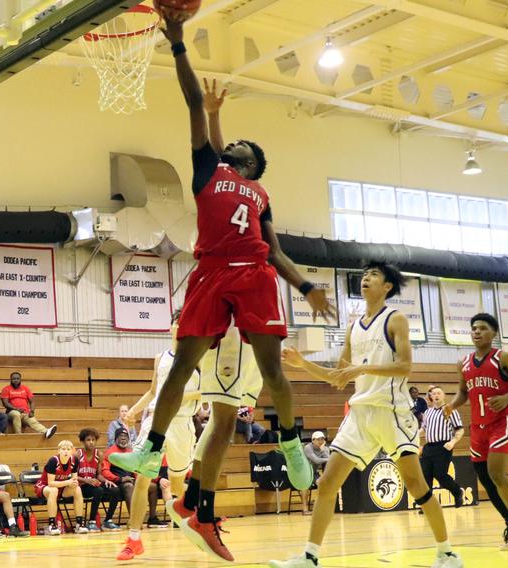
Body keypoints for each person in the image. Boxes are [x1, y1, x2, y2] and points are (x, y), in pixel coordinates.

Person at [111, 34, 335, 558]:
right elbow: (194, 106)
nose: (231, 145)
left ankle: (289, 444)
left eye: (241, 146)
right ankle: (152, 449)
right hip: (211, 271)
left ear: (252, 165)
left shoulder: (260, 193)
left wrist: (305, 286)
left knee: (270, 373)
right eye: (227, 142)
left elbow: (275, 249)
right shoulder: (207, 171)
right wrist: (178, 45)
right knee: (183, 364)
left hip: (253, 271)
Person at [270, 263, 462, 568]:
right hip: (360, 413)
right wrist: (301, 364)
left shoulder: (395, 319)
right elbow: (338, 377)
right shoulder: (353, 326)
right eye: (364, 275)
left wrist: (364, 368)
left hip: (391, 411)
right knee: (328, 482)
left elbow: (405, 367)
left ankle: (447, 552)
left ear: (387, 286)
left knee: (416, 484)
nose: (366, 279)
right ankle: (310, 556)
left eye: (373, 275)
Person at [165, 322, 264, 558]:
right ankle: (201, 514)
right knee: (222, 424)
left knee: (222, 424)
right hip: (230, 340)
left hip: (250, 341)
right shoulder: (165, 357)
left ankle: (189, 502)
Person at [445, 313, 508, 551]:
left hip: (500, 424)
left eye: (482, 328)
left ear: (493, 333)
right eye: (473, 328)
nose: (476, 332)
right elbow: (464, 392)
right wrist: (452, 405)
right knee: (486, 480)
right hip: (477, 428)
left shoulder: (502, 357)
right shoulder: (463, 363)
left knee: (495, 474)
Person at [116, 311, 201, 561]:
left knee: (176, 484)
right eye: (177, 323)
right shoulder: (160, 358)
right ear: (171, 327)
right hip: (155, 419)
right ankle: (134, 539)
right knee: (143, 478)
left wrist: (183, 396)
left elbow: (206, 391)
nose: (179, 327)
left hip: (182, 424)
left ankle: (199, 522)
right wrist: (134, 409)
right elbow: (154, 390)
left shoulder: (200, 358)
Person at [420, 386, 465, 509]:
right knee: (425, 476)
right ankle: (427, 506)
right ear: (431, 397)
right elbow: (423, 430)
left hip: (443, 447)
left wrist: (453, 442)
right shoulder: (427, 412)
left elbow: (460, 430)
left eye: (439, 393)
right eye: (433, 393)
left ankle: (457, 492)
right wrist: (412, 435)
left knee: (440, 475)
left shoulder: (450, 410)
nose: (436, 395)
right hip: (429, 447)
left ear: (443, 395)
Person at [35, 440, 89, 535]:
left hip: (61, 486)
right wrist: (68, 482)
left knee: (77, 489)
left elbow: (74, 479)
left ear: (72, 451)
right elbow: (51, 483)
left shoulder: (74, 460)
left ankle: (79, 524)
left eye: (68, 449)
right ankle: (52, 525)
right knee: (53, 490)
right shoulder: (53, 461)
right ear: (58, 451)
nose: (66, 451)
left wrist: (73, 483)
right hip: (45, 486)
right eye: (63, 449)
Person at [74, 428, 120, 531]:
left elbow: (98, 474)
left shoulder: (99, 454)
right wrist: (87, 480)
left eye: (93, 440)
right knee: (98, 490)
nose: (91, 442)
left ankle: (108, 521)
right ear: (83, 441)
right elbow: (73, 476)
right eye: (88, 440)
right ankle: (91, 522)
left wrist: (106, 480)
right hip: (81, 486)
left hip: (94, 484)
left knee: (115, 489)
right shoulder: (77, 455)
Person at [0, 372, 57, 439]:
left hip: (24, 412)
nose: (16, 380)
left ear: (20, 379)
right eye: (14, 379)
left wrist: (32, 411)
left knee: (32, 420)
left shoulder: (25, 388)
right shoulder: (6, 389)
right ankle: (18, 435)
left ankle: (46, 432)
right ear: (10, 379)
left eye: (17, 378)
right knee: (16, 414)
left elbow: (32, 401)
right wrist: (16, 409)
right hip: (11, 412)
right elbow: (5, 403)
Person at [300, 431, 330, 515]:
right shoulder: (308, 448)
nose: (320, 441)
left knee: (322, 484)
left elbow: (329, 460)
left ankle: (317, 506)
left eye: (322, 439)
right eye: (318, 439)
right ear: (313, 441)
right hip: (304, 473)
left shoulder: (325, 449)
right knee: (305, 486)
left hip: (314, 473)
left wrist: (323, 450)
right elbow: (316, 460)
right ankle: (305, 509)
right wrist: (327, 458)